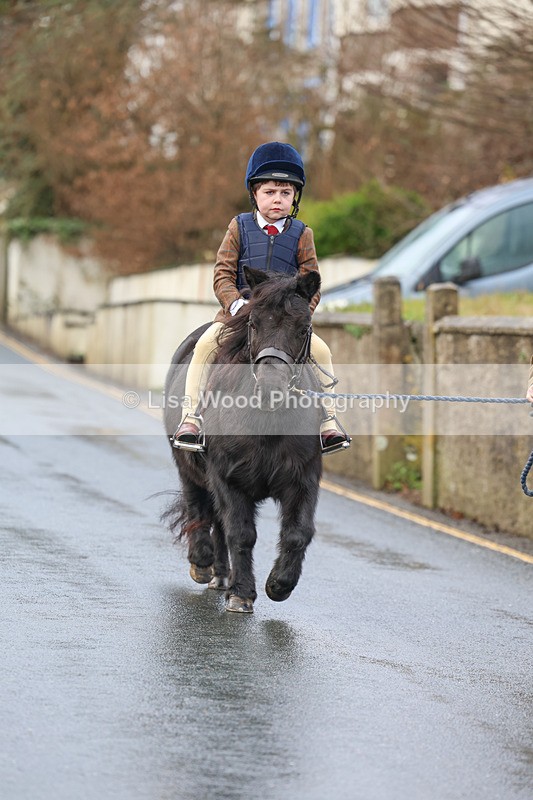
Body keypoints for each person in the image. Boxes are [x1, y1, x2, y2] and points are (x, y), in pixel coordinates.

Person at [172, 141, 351, 454]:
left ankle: (329, 424)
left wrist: (300, 314)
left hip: (284, 323)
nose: (278, 200)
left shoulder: (302, 234)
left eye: (285, 193)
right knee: (204, 346)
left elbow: (313, 283)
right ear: (254, 193)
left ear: (295, 196)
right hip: (239, 317)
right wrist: (236, 304)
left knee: (322, 352)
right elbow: (222, 274)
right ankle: (191, 418)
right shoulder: (238, 227)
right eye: (270, 192)